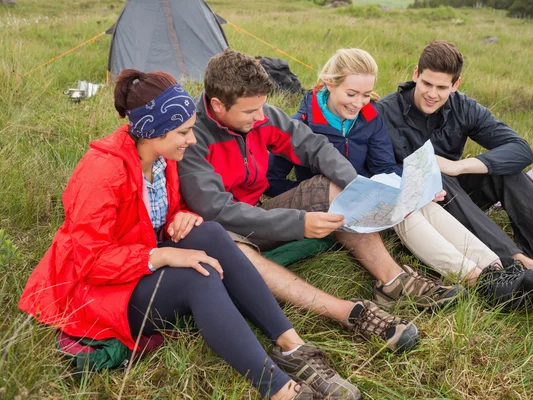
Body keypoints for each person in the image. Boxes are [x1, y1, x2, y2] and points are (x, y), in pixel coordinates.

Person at [17, 69, 362, 400]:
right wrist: (163, 255)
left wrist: (180, 217)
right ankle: (279, 390)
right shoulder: (102, 171)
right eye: (183, 133)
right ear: (153, 132)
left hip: (138, 265)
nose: (192, 140)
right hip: (98, 290)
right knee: (199, 277)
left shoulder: (162, 159)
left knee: (210, 233)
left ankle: (292, 345)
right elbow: (88, 259)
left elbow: (164, 212)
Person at [178, 48, 462, 351]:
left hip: (258, 210)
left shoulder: (263, 117)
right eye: (250, 112)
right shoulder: (192, 137)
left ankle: (392, 281)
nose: (260, 117)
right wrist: (299, 223)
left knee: (333, 188)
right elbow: (217, 210)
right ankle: (350, 313)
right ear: (218, 105)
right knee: (238, 253)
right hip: (221, 231)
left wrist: (355, 186)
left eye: (261, 108)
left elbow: (314, 146)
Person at [266, 48, 533, 309]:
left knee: (416, 203)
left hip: (368, 198)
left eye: (367, 94)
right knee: (405, 211)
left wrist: (414, 188)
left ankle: (495, 270)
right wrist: (314, 195)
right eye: (351, 94)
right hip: (327, 206)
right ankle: (478, 281)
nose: (359, 103)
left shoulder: (369, 118)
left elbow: (384, 166)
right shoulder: (300, 125)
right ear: (330, 84)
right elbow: (273, 179)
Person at [376, 40, 533, 305]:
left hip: (456, 195)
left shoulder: (463, 107)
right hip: (418, 210)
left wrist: (460, 165)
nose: (432, 94)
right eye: (426, 84)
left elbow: (520, 149)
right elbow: (376, 171)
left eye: (442, 88)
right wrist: (425, 176)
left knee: (503, 167)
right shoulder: (384, 112)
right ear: (415, 74)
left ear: (456, 85)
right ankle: (521, 265)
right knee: (435, 173)